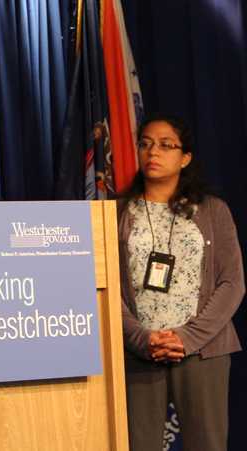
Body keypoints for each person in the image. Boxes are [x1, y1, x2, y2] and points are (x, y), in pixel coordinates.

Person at [118, 113, 244, 451]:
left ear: (185, 157)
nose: (152, 152)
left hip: (203, 352)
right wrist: (141, 338)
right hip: (138, 352)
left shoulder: (213, 211)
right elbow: (104, 289)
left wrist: (186, 338)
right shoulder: (116, 213)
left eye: (164, 145)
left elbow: (232, 283)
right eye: (145, 144)